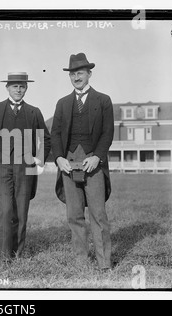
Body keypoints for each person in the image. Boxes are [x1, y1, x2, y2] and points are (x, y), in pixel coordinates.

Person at [51, 53, 114, 270]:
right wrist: (59, 158)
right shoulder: (63, 103)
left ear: (89, 74)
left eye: (80, 72)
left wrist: (97, 156)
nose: (76, 77)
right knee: (74, 215)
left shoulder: (103, 100)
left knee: (98, 214)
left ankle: (104, 262)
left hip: (93, 163)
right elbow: (56, 133)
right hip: (69, 164)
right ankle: (81, 261)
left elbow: (107, 133)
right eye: (72, 73)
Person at [0, 72, 51, 260]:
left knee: (21, 211)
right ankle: (4, 255)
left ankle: (17, 254)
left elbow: (46, 138)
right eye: (15, 86)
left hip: (26, 168)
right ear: (7, 88)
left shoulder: (34, 112)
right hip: (2, 168)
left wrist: (40, 160)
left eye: (22, 86)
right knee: (5, 211)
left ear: (26, 88)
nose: (18, 89)